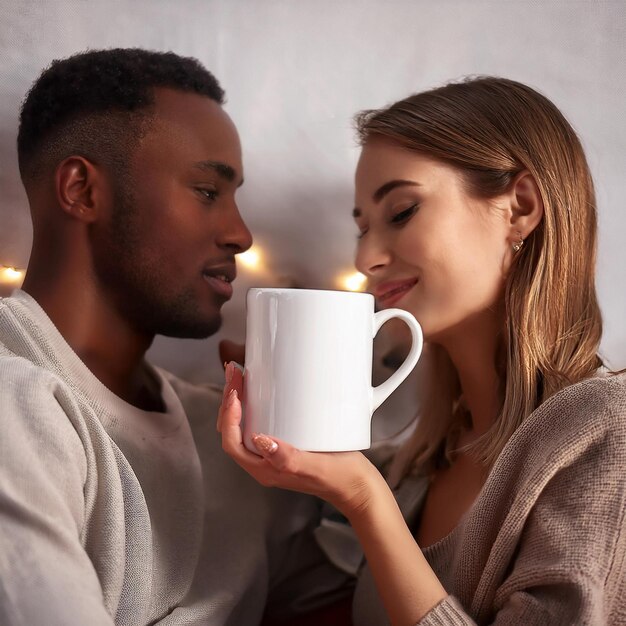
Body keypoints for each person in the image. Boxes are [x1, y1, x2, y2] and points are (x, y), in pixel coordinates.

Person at [220, 76, 626, 625]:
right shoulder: (421, 462)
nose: (366, 258)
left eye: (402, 211)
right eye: (361, 227)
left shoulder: (605, 430)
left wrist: (366, 503)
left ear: (521, 206)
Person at [0, 48, 351, 625]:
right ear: (82, 191)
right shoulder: (16, 398)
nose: (240, 234)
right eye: (208, 192)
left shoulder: (234, 434)